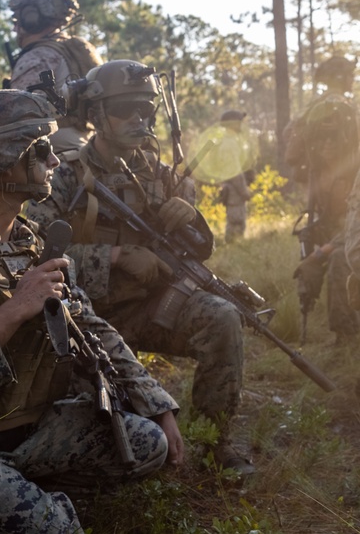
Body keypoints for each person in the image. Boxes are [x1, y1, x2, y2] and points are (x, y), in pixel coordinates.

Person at [0, 89, 182, 533]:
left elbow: (90, 327)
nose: (56, 162)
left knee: (148, 444)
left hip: (34, 428)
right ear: (2, 158)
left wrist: (157, 404)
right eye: (41, 150)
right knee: (56, 528)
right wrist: (13, 311)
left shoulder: (35, 241)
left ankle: (22, 492)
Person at [26, 59, 255, 475]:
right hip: (86, 319)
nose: (138, 119)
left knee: (222, 316)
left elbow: (194, 251)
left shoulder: (163, 177)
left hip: (148, 309)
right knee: (89, 412)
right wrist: (112, 257)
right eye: (125, 109)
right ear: (95, 115)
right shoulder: (64, 176)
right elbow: (30, 250)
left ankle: (213, 441)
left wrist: (192, 220)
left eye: (146, 110)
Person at [285, 55, 360, 346]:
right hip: (334, 204)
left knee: (338, 258)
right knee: (336, 260)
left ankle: (345, 334)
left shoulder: (312, 112)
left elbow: (292, 156)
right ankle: (343, 334)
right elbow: (295, 157)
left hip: (336, 204)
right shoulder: (343, 110)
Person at [7, 0, 104, 154]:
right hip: (89, 147)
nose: (15, 28)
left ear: (32, 18)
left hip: (53, 156)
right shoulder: (76, 50)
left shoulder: (37, 56)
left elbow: (22, 120)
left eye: (18, 20)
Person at [217, 110, 255, 242]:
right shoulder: (229, 144)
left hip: (235, 189)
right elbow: (234, 172)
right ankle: (232, 252)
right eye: (239, 122)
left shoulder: (233, 142)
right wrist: (244, 191)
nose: (241, 125)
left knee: (237, 223)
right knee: (236, 224)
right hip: (234, 190)